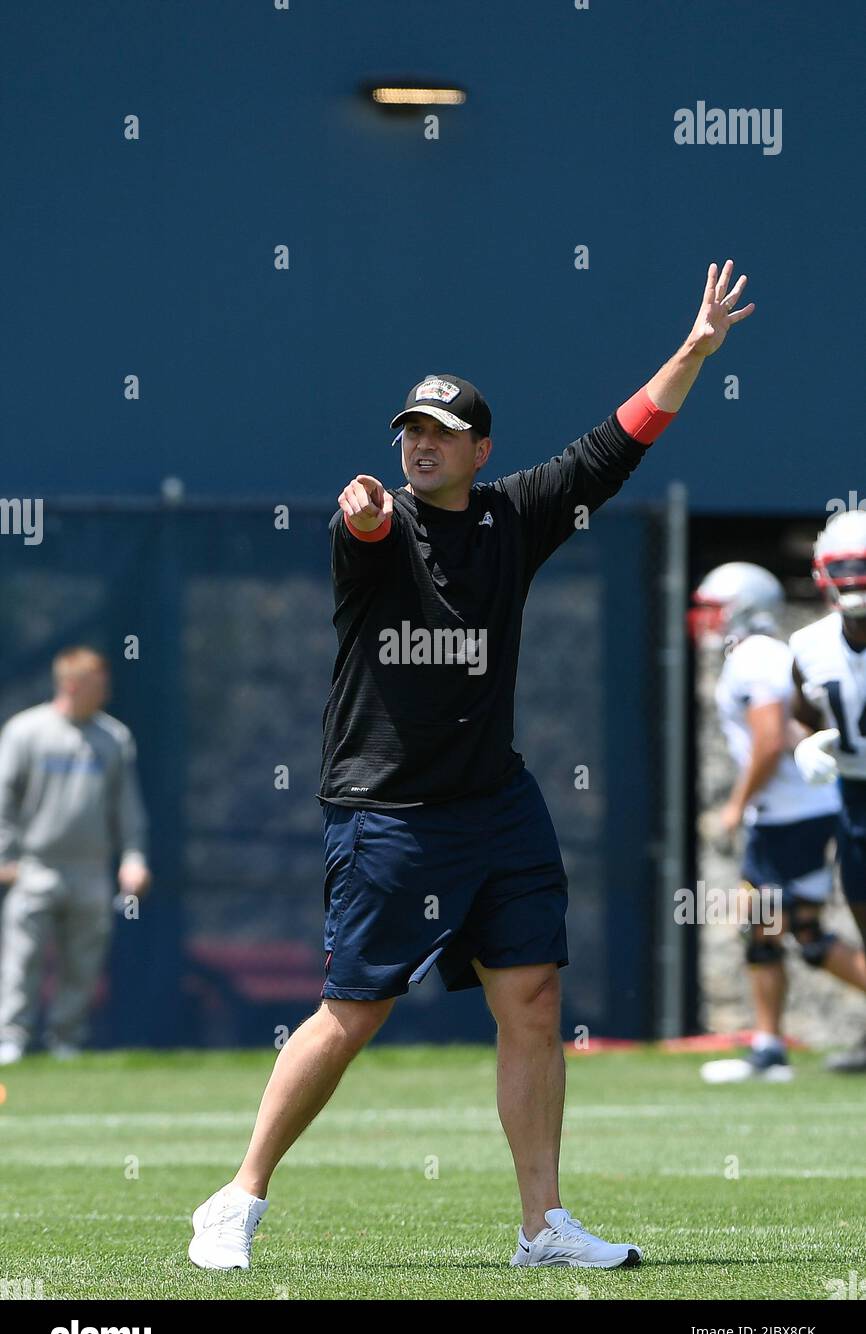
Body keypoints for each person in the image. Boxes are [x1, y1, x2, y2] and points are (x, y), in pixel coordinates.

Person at [189, 260, 754, 1274]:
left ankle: (542, 1227)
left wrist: (692, 352)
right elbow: (360, 526)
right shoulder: (376, 529)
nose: (416, 445)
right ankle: (235, 1196)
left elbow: (609, 450)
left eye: (438, 434)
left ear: (477, 450)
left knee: (532, 997)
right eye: (408, 431)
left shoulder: (510, 515)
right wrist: (361, 507)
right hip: (389, 813)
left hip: (496, 804)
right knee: (353, 1011)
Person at [690, 563, 866, 1084]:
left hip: (791, 813)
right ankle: (767, 1047)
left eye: (715, 607)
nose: (706, 619)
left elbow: (770, 737)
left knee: (779, 928)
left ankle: (768, 1049)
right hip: (793, 811)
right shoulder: (757, 655)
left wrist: (734, 804)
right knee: (785, 930)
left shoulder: (757, 657)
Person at [0, 647, 151, 1063]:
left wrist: (133, 857)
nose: (105, 691)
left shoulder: (114, 737)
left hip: (91, 869)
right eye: (96, 684)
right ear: (70, 684)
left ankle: (65, 1040)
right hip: (35, 866)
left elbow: (128, 807)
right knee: (22, 955)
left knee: (83, 960)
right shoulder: (25, 731)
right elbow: (3, 800)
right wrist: (5, 857)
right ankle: (11, 1039)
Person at [790, 509, 866, 1072]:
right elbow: (801, 712)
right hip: (856, 797)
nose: (855, 580)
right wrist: (805, 743)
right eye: (846, 568)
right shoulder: (809, 645)